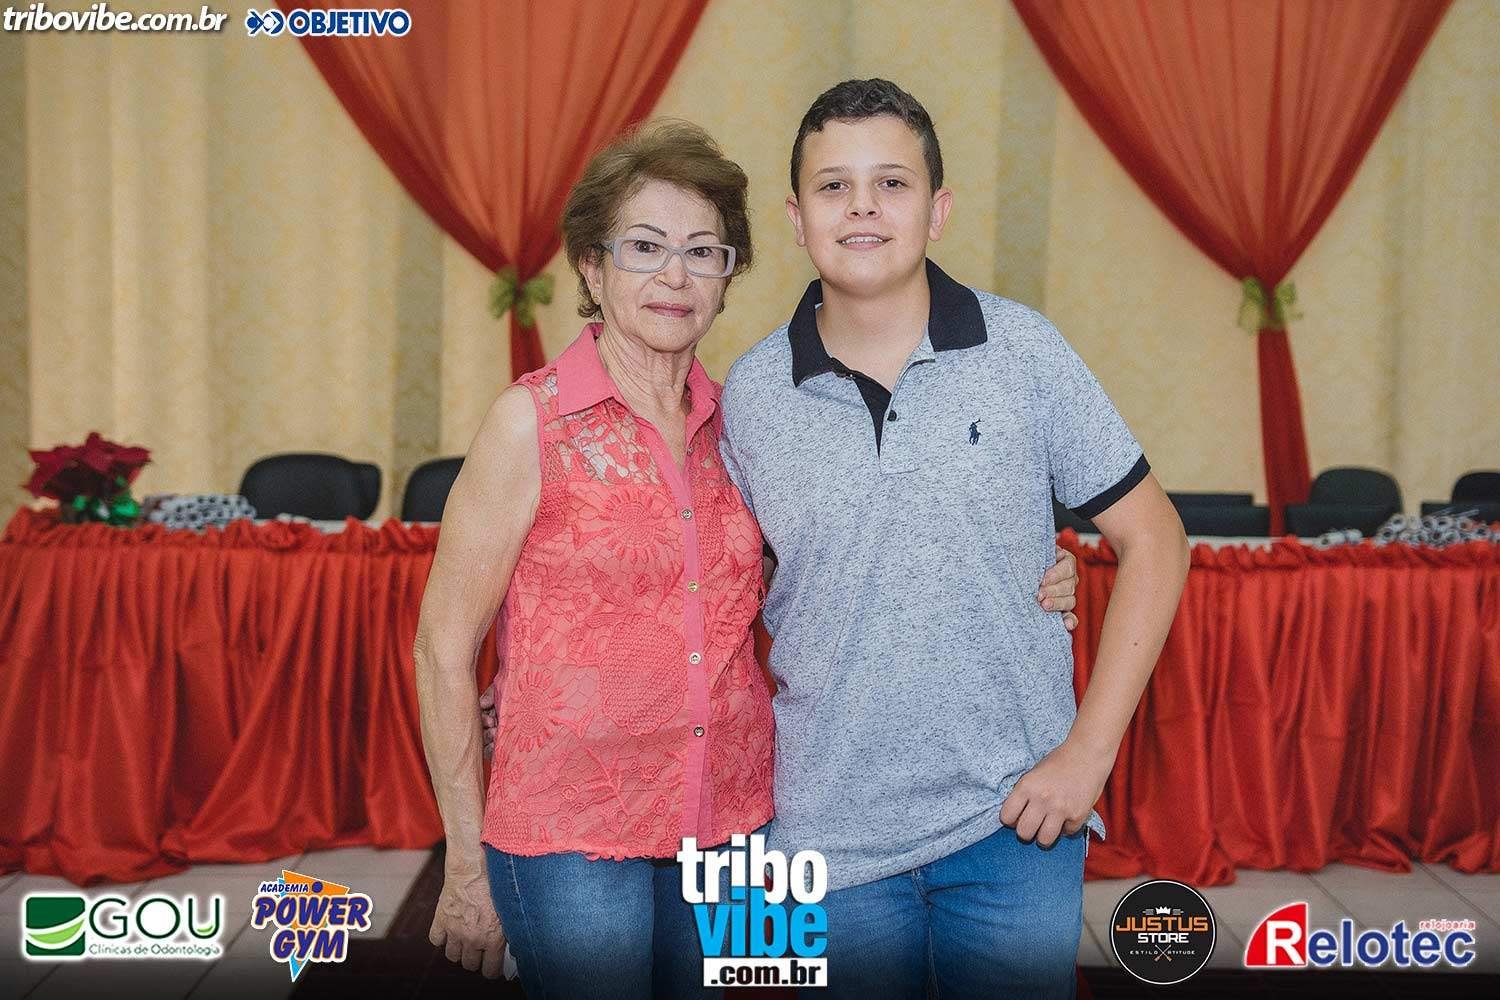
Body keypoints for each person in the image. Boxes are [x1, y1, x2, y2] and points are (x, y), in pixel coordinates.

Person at [421, 117, 1087, 998]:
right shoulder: (529, 424)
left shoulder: (742, 423)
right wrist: (465, 864)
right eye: (644, 247)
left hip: (733, 820)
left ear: (728, 276)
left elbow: (828, 565)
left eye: (703, 252)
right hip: (572, 824)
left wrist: (1030, 573)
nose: (675, 276)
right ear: (590, 267)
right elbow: (442, 650)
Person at [716, 80, 1191, 999]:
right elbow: (727, 585)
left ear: (937, 211)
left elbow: (1157, 542)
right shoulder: (753, 394)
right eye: (833, 186)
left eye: (891, 183)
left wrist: (1087, 756)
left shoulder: (1023, 352)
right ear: (796, 218)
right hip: (827, 833)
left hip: (1012, 820)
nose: (862, 206)